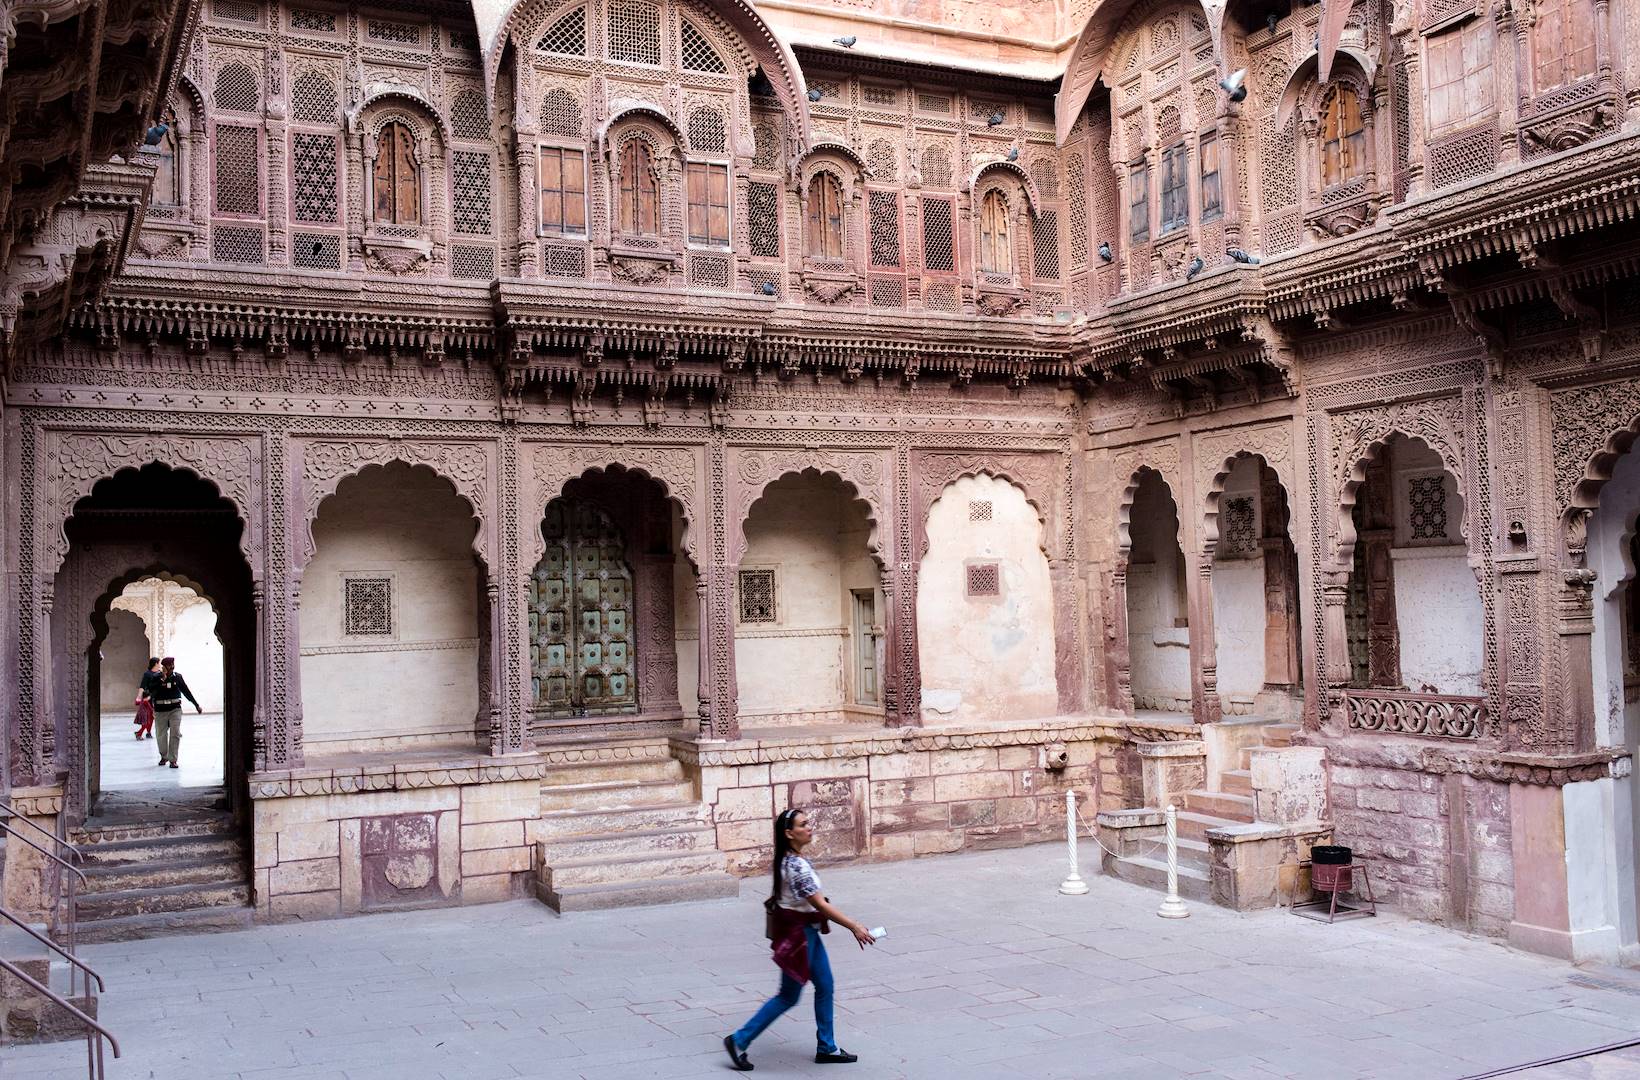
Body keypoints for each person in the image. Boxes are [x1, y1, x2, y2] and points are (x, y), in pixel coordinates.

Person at [724, 808, 874, 1071]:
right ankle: (739, 1040)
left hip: (807, 933)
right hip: (798, 938)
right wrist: (853, 925)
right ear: (789, 833)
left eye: (808, 823)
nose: (809, 827)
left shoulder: (792, 859)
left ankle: (827, 1047)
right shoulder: (795, 866)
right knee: (788, 996)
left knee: (825, 984)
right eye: (803, 824)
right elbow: (818, 903)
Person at [142, 656, 201, 769]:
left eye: (173, 664)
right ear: (164, 667)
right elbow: (151, 691)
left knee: (175, 733)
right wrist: (162, 679)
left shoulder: (177, 677)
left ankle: (173, 759)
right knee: (161, 734)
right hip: (160, 709)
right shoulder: (156, 677)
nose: (172, 667)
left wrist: (196, 705)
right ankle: (164, 756)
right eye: (169, 665)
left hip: (175, 709)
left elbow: (186, 692)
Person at [133, 657, 161, 740]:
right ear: (155, 663)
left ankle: (148, 732)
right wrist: (138, 697)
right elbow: (142, 686)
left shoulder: (160, 673)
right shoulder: (147, 674)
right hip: (147, 698)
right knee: (147, 717)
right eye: (159, 663)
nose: (159, 665)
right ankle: (139, 732)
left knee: (152, 717)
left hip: (156, 698)